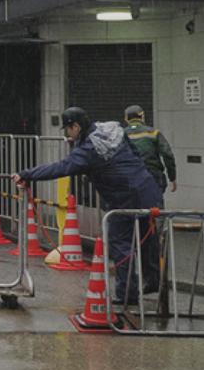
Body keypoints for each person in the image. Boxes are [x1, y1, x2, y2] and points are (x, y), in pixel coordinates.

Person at [12, 106, 160, 304]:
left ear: (76, 126)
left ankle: (127, 294)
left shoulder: (90, 149)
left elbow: (62, 167)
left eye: (68, 129)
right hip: (147, 189)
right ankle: (154, 282)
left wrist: (27, 174)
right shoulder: (111, 131)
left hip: (124, 198)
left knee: (121, 244)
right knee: (147, 240)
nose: (67, 135)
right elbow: (135, 153)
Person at [123, 104, 176, 200]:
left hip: (129, 177)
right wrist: (172, 177)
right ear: (142, 116)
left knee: (132, 205)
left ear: (126, 119)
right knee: (154, 205)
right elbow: (167, 154)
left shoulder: (120, 135)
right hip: (152, 176)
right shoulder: (154, 133)